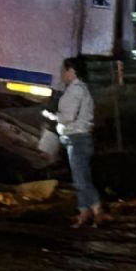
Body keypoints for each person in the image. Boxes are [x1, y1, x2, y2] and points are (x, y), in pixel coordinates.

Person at [43, 57, 105, 227]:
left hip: (77, 138)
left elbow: (68, 117)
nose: (62, 74)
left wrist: (51, 116)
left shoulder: (76, 90)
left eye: (64, 70)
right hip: (77, 138)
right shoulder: (77, 89)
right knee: (81, 177)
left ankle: (97, 211)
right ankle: (84, 213)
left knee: (80, 179)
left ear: (71, 70)